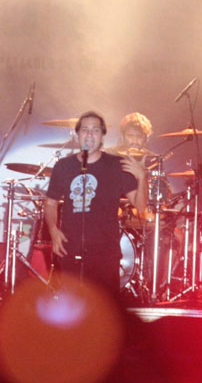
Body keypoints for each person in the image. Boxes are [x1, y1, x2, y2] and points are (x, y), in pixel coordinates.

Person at [44, 111, 148, 294]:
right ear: (77, 135)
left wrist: (142, 177)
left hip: (105, 253)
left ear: (102, 136)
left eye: (95, 130)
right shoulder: (63, 166)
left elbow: (140, 205)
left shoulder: (116, 165)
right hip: (71, 249)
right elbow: (50, 203)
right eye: (85, 130)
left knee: (104, 307)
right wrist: (53, 230)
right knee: (72, 306)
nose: (89, 135)